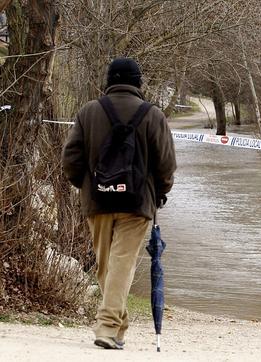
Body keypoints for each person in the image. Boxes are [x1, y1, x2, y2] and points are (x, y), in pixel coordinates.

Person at [62, 58, 176, 349]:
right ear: (138, 82)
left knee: (106, 267)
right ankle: (108, 328)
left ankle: (115, 326)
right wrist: (160, 193)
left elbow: (71, 159)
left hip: (97, 201)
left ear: (109, 80)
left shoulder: (89, 111)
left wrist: (87, 187)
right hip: (137, 205)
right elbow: (166, 164)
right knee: (120, 265)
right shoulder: (153, 115)